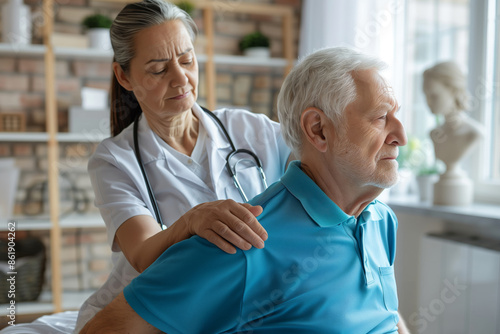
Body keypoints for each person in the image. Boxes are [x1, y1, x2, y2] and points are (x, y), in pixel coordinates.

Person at [80, 47, 411, 334]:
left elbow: (384, 314)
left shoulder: (380, 219)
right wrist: (188, 222)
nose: (401, 136)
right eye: (381, 118)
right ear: (318, 129)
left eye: (187, 60)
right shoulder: (244, 243)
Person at [70, 0, 291, 332]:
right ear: (124, 76)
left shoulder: (253, 130)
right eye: (159, 69)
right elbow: (143, 253)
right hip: (147, 314)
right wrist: (192, 221)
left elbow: (318, 170)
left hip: (235, 307)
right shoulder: (114, 160)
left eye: (187, 60)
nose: (180, 79)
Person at [422, 61, 483, 205]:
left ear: (454, 91)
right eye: (426, 96)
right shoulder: (434, 134)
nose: (428, 102)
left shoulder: (473, 133)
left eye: (434, 95)